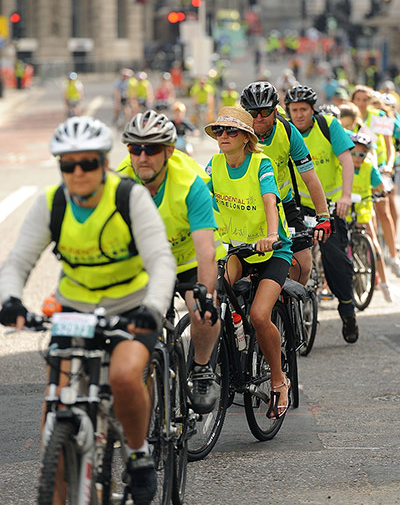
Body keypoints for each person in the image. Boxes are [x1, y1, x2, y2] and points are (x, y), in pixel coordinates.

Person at [0, 116, 176, 504]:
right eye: (68, 164)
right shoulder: (52, 202)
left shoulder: (129, 197)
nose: (77, 172)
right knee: (55, 413)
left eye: (88, 163)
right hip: (75, 307)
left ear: (104, 163)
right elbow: (16, 263)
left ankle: (137, 454)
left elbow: (162, 261)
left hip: (130, 305)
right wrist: (11, 300)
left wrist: (152, 308)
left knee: (126, 376)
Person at [119, 110, 226, 414]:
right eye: (134, 148)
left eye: (151, 148)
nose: (142, 156)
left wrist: (205, 296)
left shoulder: (190, 184)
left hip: (189, 259)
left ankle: (202, 369)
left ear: (168, 151)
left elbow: (206, 251)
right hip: (147, 263)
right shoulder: (119, 182)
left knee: (204, 312)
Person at [204, 106, 293, 419]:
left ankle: (280, 381)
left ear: (246, 137)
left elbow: (270, 199)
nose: (223, 136)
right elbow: (198, 198)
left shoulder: (261, 162)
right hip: (238, 249)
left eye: (231, 131)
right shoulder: (214, 165)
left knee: (258, 314)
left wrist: (271, 233)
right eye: (219, 131)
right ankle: (226, 360)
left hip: (272, 250)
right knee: (212, 297)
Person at [284, 84, 359, 343]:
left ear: (312, 109)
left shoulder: (328, 125)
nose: (299, 115)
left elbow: (346, 159)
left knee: (336, 259)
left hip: (330, 204)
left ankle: (347, 309)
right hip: (298, 205)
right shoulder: (286, 131)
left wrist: (345, 196)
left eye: (303, 109)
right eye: (294, 110)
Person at [240, 82, 331, 286]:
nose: (259, 118)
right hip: (248, 207)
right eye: (252, 113)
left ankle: (293, 309)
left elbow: (310, 177)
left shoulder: (288, 131)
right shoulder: (236, 135)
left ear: (275, 110)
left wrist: (323, 216)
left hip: (283, 205)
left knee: (304, 265)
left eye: (265, 111)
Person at [346, 131, 392, 303]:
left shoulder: (368, 167)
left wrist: (380, 192)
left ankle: (385, 283)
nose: (358, 158)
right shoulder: (342, 165)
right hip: (345, 211)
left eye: (362, 154)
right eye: (354, 153)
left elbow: (380, 186)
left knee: (374, 244)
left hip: (363, 212)